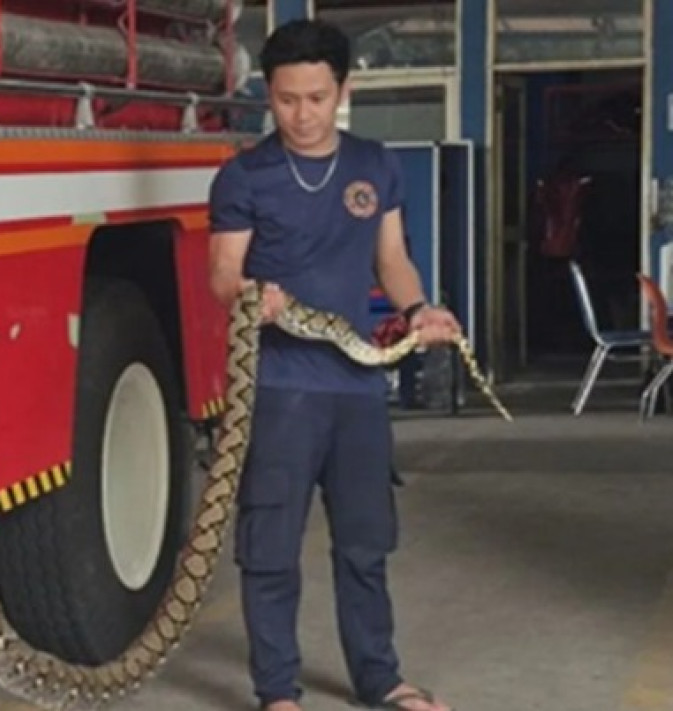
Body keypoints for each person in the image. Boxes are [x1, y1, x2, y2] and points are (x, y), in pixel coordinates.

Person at [207, 19, 458, 711]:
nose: (302, 114)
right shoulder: (244, 175)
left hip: (355, 386)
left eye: (316, 97)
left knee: (363, 545)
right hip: (278, 386)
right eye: (287, 99)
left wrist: (419, 312)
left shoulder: (374, 165)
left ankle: (379, 677)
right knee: (269, 548)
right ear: (270, 94)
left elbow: (391, 259)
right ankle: (276, 691)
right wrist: (254, 295)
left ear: (341, 89)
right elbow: (222, 274)